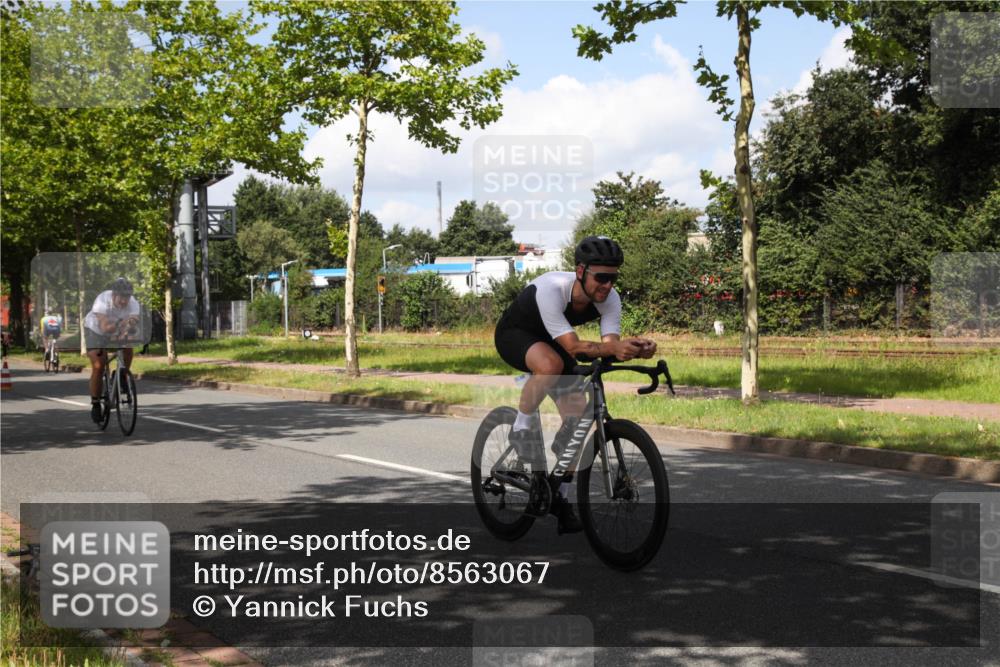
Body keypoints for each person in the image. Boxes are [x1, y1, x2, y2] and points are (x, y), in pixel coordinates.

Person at [493, 235, 657, 534]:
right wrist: (611, 348)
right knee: (550, 365)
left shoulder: (611, 299)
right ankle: (520, 427)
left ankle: (561, 498)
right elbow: (572, 347)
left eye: (613, 278)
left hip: (556, 342)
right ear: (581, 271)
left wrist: (635, 349)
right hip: (516, 334)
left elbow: (609, 346)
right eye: (601, 278)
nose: (607, 285)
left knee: (578, 419)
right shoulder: (553, 289)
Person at [85, 278, 140, 423]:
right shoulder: (102, 301)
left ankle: (122, 374)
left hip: (116, 328)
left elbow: (133, 323)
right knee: (99, 365)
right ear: (113, 294)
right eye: (121, 297)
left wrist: (129, 328)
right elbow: (105, 328)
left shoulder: (133, 303)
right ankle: (96, 403)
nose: (124, 301)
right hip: (95, 330)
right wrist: (122, 323)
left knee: (128, 346)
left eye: (127, 297)